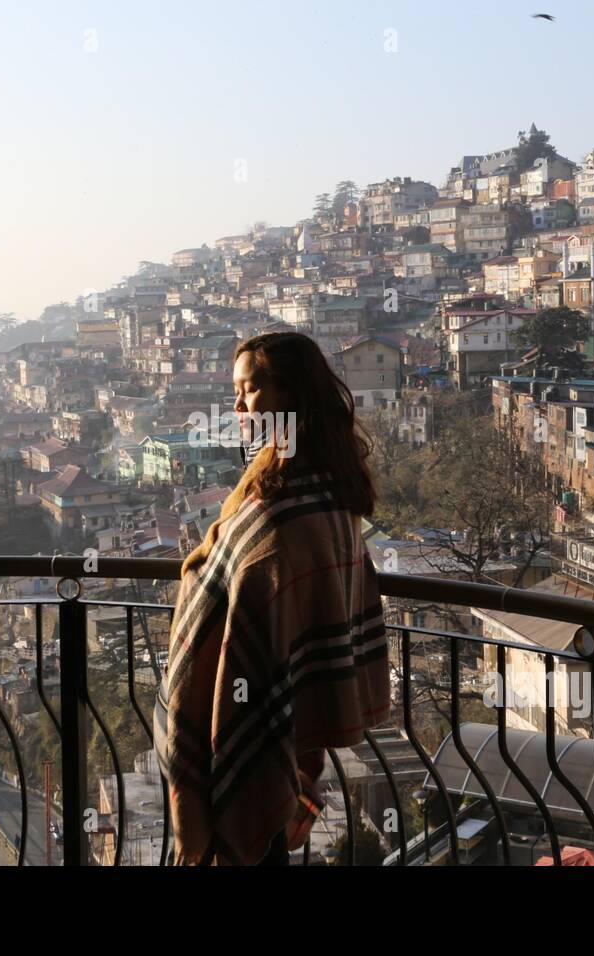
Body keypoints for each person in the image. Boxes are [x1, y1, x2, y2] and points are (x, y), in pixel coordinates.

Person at [154, 332, 391, 866]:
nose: (238, 406)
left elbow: (260, 593)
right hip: (276, 717)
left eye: (251, 390)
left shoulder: (282, 502)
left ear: (291, 395)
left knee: (248, 839)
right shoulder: (327, 485)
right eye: (236, 392)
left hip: (252, 713)